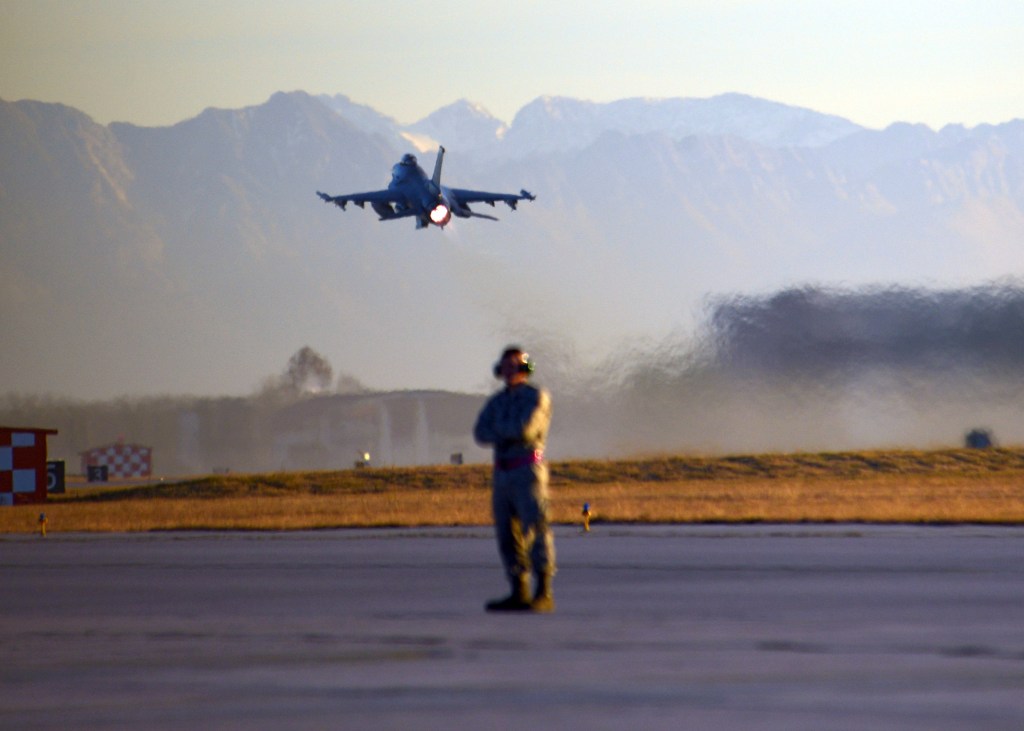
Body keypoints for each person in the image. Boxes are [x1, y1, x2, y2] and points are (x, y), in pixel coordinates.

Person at [474, 346, 556, 613]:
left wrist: (500, 431)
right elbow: (479, 432)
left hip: (527, 471)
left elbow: (525, 429)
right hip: (502, 473)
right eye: (506, 366)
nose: (510, 371)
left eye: (516, 365)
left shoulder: (537, 396)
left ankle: (543, 591)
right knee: (507, 535)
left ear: (525, 369)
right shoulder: (496, 402)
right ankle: (518, 590)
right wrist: (505, 432)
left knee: (536, 528)